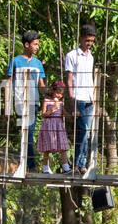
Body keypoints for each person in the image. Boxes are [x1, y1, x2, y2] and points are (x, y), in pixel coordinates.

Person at [8, 31, 48, 172]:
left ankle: (26, 164)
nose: (37, 47)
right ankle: (29, 165)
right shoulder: (15, 61)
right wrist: (7, 105)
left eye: (38, 44)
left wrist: (51, 94)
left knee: (29, 133)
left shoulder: (38, 64)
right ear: (26, 44)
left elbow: (41, 85)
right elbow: (8, 83)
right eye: (35, 44)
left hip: (34, 103)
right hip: (20, 103)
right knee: (25, 132)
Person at [63, 23, 98, 173]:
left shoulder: (90, 56)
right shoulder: (71, 55)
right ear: (81, 38)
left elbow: (91, 79)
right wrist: (71, 98)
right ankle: (77, 164)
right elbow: (69, 78)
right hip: (78, 98)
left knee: (87, 132)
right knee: (82, 130)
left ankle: (82, 164)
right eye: (87, 41)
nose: (89, 44)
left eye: (91, 41)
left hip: (89, 98)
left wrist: (95, 100)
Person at [36, 82, 71, 174]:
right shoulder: (46, 101)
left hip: (59, 125)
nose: (59, 95)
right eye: (57, 93)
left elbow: (65, 113)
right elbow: (43, 115)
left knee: (63, 146)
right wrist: (51, 109)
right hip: (49, 125)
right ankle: (45, 168)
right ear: (53, 91)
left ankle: (66, 167)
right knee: (47, 148)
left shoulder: (60, 102)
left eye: (61, 94)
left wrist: (74, 115)